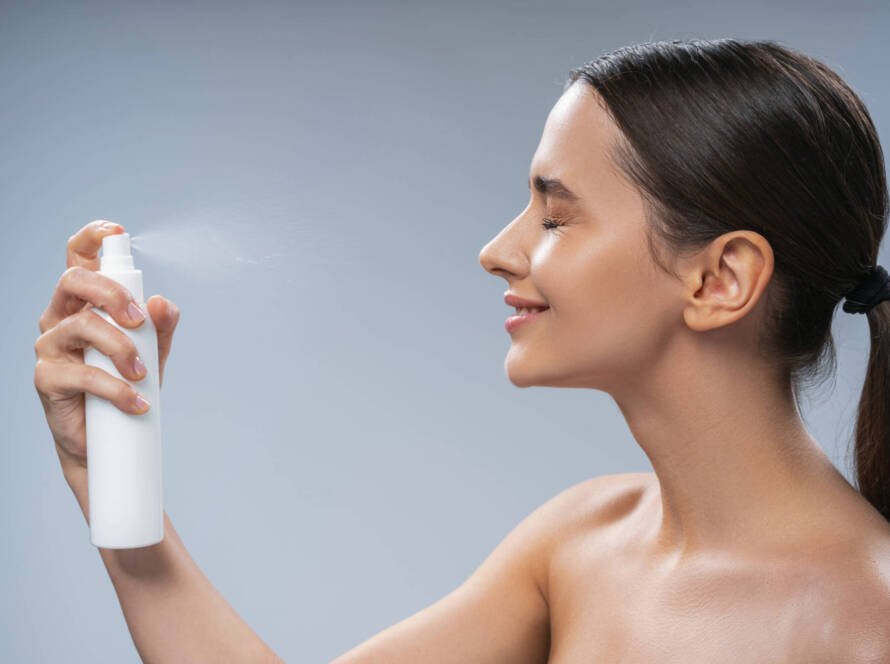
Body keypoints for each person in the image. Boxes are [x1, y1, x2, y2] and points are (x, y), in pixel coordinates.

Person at [34, 38, 890, 663]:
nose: (498, 250)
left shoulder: (866, 617)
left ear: (720, 278)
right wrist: (112, 488)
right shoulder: (584, 539)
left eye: (555, 217)